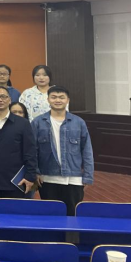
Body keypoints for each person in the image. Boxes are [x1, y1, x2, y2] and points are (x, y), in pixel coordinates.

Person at [31, 86, 94, 216]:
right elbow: (32, 150)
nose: (57, 100)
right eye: (53, 97)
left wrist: (88, 175)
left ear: (68, 100)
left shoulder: (78, 122)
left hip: (74, 177)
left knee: (72, 215)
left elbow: (87, 150)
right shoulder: (38, 122)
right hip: (47, 177)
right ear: (48, 99)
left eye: (61, 97)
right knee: (51, 215)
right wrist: (35, 172)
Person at [0, 86, 38, 213]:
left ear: (9, 100)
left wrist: (30, 176)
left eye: (3, 96)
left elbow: (30, 151)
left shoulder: (23, 123)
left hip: (16, 180)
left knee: (14, 217)